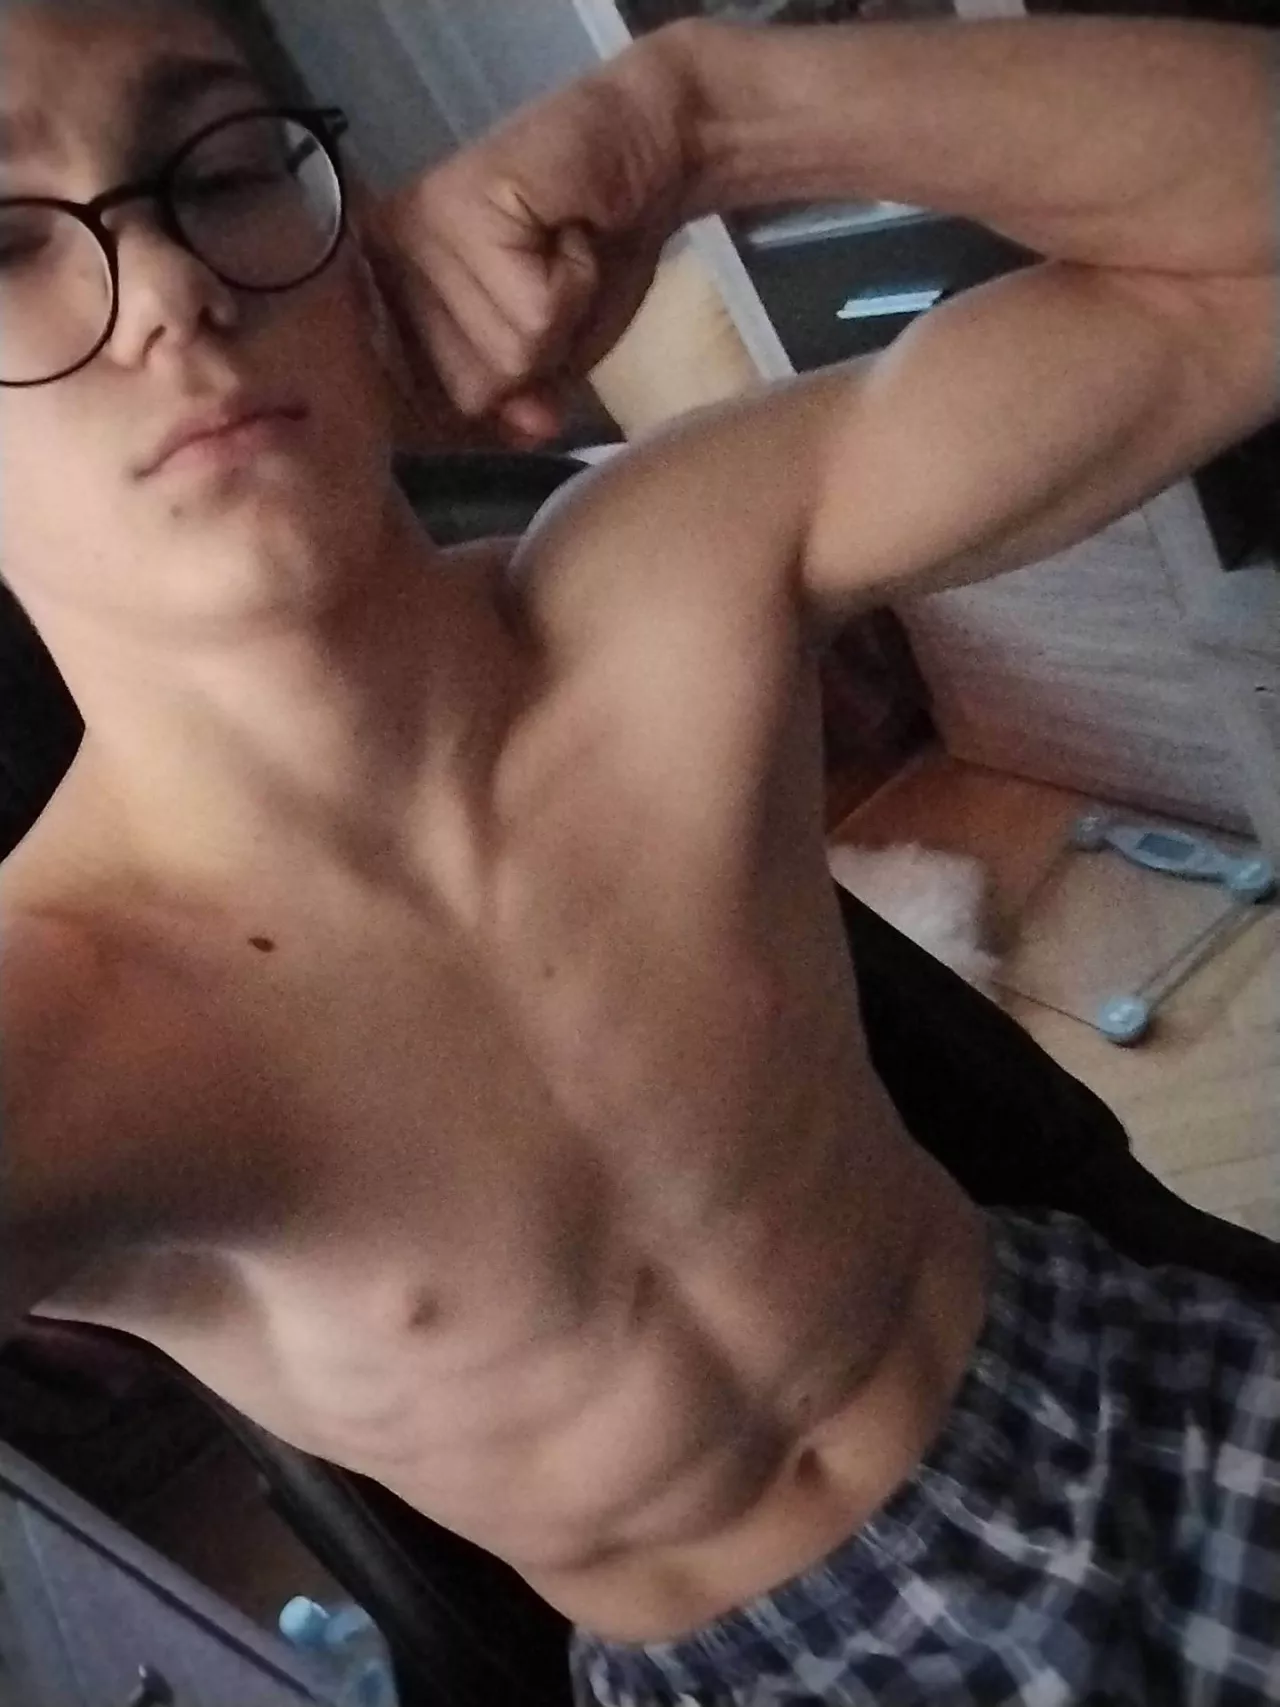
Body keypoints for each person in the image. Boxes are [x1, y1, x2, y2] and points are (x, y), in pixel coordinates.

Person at [1, 2, 1276, 1700]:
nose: (170, 284)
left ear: (358, 251)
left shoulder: (671, 571)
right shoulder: (59, 1021)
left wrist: (699, 115)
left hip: (1137, 1404)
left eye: (222, 166)